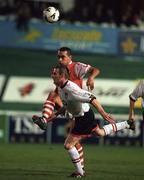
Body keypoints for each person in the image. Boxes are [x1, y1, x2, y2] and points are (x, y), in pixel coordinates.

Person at [33, 64, 135, 178]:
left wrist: (103, 114)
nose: (52, 75)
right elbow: (67, 104)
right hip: (83, 115)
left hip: (83, 117)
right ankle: (127, 124)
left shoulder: (71, 88)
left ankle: (80, 173)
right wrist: (54, 115)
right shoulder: (61, 87)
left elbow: (92, 98)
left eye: (54, 73)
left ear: (62, 75)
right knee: (99, 132)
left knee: (68, 145)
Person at [33, 47, 100, 170]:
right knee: (53, 95)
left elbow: (95, 70)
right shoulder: (59, 70)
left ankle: (81, 170)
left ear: (70, 57)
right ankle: (44, 119)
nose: (60, 59)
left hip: (76, 104)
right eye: (58, 56)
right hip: (66, 102)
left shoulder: (76, 66)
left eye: (62, 57)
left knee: (76, 140)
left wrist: (91, 77)